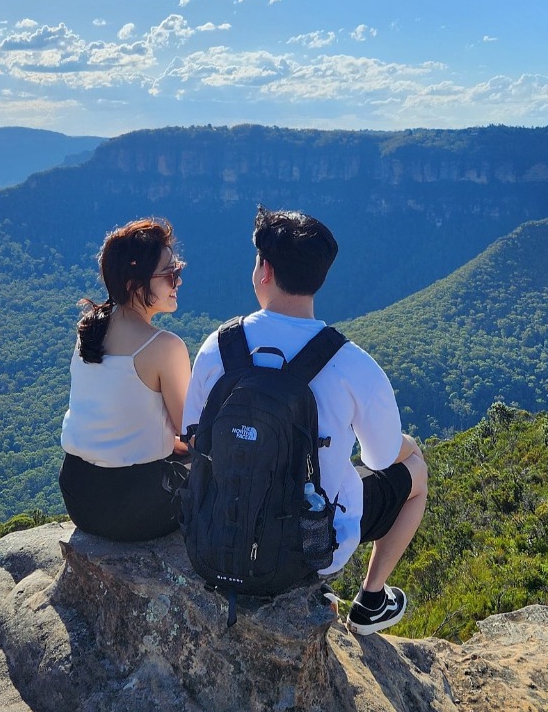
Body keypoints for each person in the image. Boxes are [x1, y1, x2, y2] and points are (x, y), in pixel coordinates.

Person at [182, 206, 427, 635]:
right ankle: (371, 601)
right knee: (416, 473)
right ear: (320, 277)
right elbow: (383, 456)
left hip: (216, 541)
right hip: (310, 552)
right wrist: (405, 443)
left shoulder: (219, 347)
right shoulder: (352, 364)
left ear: (264, 270)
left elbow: (193, 433)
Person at [59, 218, 192, 542]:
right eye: (170, 274)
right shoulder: (164, 347)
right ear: (135, 283)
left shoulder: (89, 329)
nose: (178, 282)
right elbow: (191, 432)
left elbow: (118, 422)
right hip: (136, 507)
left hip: (79, 496)